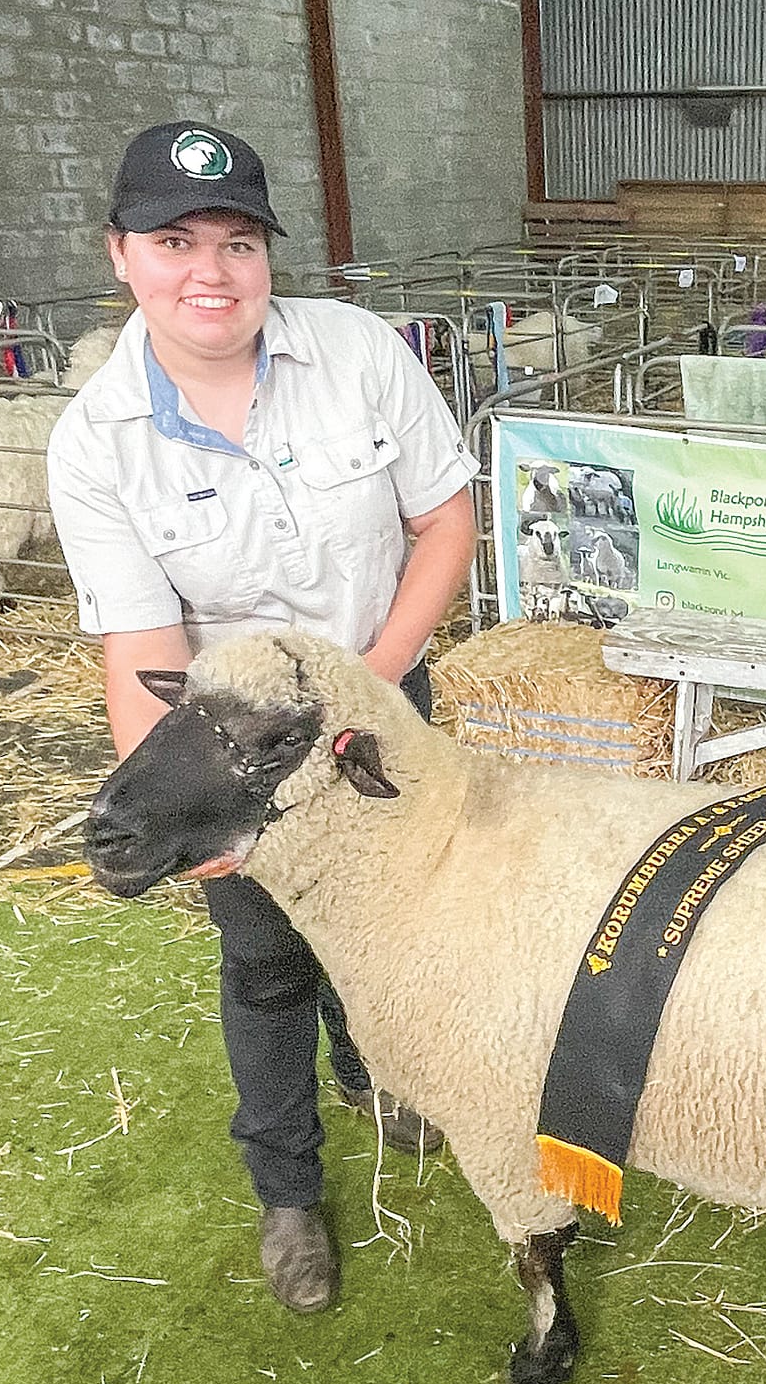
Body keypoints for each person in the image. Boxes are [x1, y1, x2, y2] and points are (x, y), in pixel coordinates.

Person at [45, 123, 481, 1312]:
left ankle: (381, 1071)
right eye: (174, 240)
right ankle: (288, 1191)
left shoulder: (356, 354)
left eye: (238, 241)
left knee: (393, 921)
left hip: (384, 688)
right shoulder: (97, 443)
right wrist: (168, 811)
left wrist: (374, 692)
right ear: (121, 254)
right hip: (232, 748)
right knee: (266, 960)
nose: (211, 272)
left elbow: (444, 522)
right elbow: (139, 648)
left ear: (267, 256)